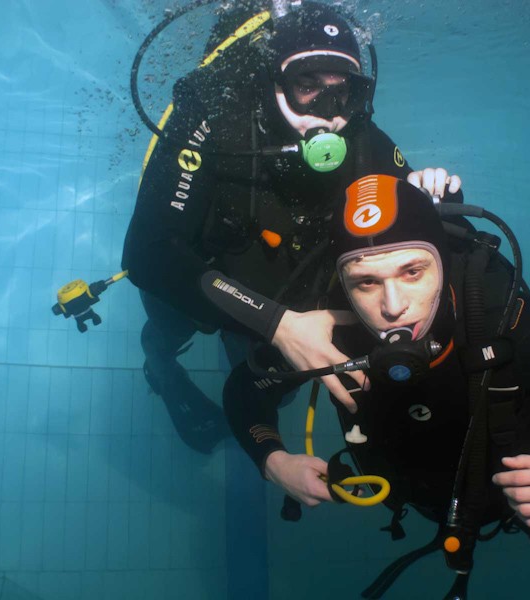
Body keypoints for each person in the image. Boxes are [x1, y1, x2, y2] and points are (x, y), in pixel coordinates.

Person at [223, 174, 530, 594]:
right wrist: (273, 460)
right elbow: (246, 389)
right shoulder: (325, 331)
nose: (393, 307)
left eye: (413, 271)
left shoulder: (512, 324)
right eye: (364, 281)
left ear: (442, 258)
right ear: (342, 281)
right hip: (416, 496)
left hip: (521, 500)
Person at [122, 1, 462, 453]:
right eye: (308, 86)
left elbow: (412, 235)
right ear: (274, 83)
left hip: (275, 296)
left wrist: (433, 197)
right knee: (167, 333)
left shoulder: (359, 134)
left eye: (343, 92)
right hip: (191, 277)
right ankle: (160, 368)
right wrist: (278, 325)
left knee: (272, 385)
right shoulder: (211, 116)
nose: (328, 112)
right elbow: (148, 254)